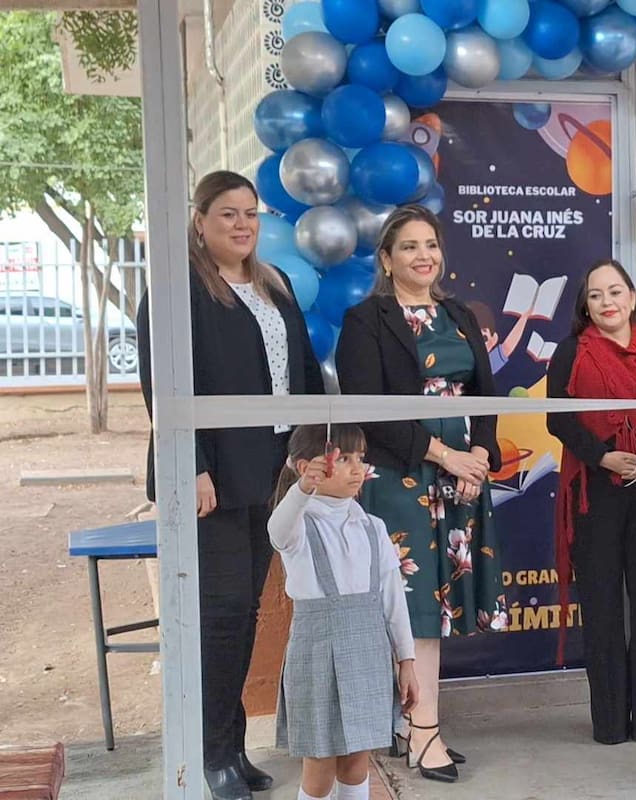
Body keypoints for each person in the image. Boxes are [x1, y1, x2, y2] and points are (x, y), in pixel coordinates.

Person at [136, 170, 324, 800]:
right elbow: (162, 385)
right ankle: (207, 753)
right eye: (227, 215)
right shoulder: (177, 287)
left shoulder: (277, 284)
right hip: (211, 474)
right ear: (199, 220)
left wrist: (307, 453)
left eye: (250, 214)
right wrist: (190, 466)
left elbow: (301, 374)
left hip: (270, 470)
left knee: (245, 614)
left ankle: (232, 748)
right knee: (218, 617)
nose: (242, 225)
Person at [335, 204, 504, 784]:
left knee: (439, 611)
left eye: (430, 244)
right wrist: (444, 455)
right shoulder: (367, 320)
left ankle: (414, 725)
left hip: (462, 481)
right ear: (387, 259)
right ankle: (425, 728)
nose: (423, 255)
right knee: (417, 613)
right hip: (403, 480)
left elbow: (487, 394)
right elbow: (370, 411)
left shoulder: (457, 314)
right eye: (409, 246)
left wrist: (479, 456)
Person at [546, 259, 636, 745]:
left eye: (615, 292)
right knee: (604, 611)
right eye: (595, 295)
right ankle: (608, 723)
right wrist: (604, 457)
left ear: (632, 296)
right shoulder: (572, 352)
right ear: (585, 306)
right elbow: (558, 421)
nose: (607, 303)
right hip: (595, 495)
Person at [268, 424, 419, 800]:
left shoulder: (373, 526)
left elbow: (392, 599)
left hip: (368, 652)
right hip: (317, 654)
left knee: (356, 761)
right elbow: (277, 529)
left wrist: (407, 659)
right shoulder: (299, 527)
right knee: (319, 768)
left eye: (361, 459)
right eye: (345, 459)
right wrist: (301, 489)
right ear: (307, 467)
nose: (358, 469)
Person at [465, 299, 533, 375]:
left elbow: (507, 347)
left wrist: (524, 318)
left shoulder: (487, 365)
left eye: (484, 338)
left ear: (494, 339)